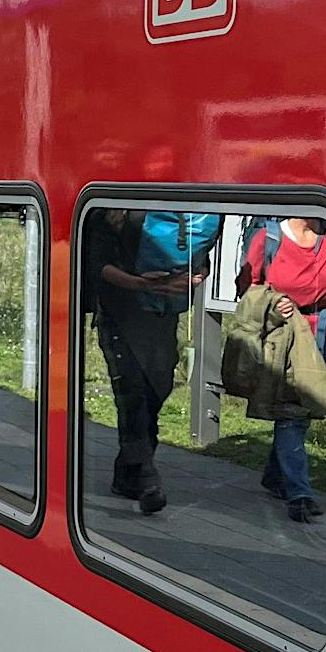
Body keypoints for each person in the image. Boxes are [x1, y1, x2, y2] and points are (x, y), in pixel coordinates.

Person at [84, 209, 208, 516]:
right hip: (119, 315)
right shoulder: (106, 212)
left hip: (160, 316)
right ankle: (146, 477)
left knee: (155, 391)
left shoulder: (175, 212)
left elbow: (199, 257)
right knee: (133, 394)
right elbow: (97, 265)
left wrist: (192, 276)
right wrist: (143, 284)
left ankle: (127, 472)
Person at [236, 216, 326, 523]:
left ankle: (275, 475)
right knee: (292, 415)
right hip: (285, 338)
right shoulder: (269, 238)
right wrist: (273, 303)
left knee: (300, 414)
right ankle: (299, 494)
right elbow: (247, 288)